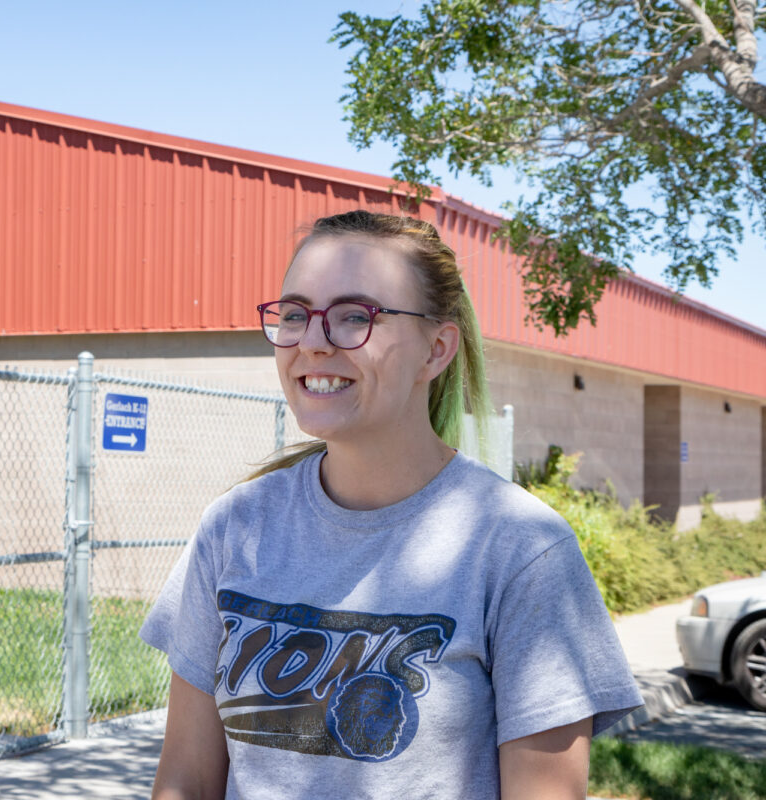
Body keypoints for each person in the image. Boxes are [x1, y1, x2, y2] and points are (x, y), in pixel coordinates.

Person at [139, 210, 643, 799]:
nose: (313, 342)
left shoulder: (521, 548)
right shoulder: (235, 526)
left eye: (356, 317)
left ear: (436, 349)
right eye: (296, 313)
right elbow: (185, 782)